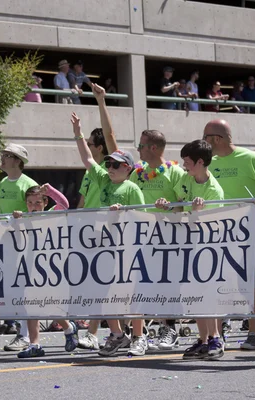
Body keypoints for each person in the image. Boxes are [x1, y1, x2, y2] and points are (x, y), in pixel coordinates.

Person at [87, 83, 186, 354]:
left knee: (166, 284)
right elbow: (110, 138)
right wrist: (101, 102)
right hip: (135, 237)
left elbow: (183, 206)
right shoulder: (137, 171)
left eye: (142, 145)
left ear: (153, 147)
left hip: (166, 235)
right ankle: (131, 333)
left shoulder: (174, 172)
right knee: (136, 285)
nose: (138, 149)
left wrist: (171, 210)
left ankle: (169, 327)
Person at [71, 111, 144, 357]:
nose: (110, 168)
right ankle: (116, 334)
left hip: (125, 248)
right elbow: (88, 159)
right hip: (102, 245)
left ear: (128, 168)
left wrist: (122, 212)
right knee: (101, 292)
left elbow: (140, 217)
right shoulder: (103, 180)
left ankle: (139, 336)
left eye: (116, 165)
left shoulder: (131, 187)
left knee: (129, 294)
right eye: (109, 164)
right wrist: (78, 134)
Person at [203, 119, 255, 351]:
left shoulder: (252, 159)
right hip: (215, 235)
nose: (204, 142)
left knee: (249, 284)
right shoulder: (208, 162)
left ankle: (253, 333)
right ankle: (219, 331)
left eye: (206, 137)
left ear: (217, 138)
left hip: (248, 233)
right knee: (215, 283)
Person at [156, 139, 225, 360]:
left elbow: (208, 224)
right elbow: (178, 205)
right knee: (194, 296)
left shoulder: (214, 189)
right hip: (186, 245)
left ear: (200, 162)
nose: (184, 166)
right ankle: (202, 340)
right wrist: (166, 205)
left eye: (187, 161)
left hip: (207, 248)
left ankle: (216, 338)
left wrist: (196, 212)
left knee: (207, 295)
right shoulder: (186, 179)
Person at [11, 184, 78, 358]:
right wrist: (17, 221)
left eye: (38, 202)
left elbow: (64, 205)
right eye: (30, 202)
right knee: (31, 305)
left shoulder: (51, 215)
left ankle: (69, 327)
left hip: (51, 267)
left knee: (49, 305)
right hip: (31, 266)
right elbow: (17, 238)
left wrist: (50, 190)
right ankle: (35, 344)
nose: (34, 206)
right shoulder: (25, 218)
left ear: (45, 202)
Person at [0, 144, 40, 351]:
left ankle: (25, 335)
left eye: (7, 155)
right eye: (3, 154)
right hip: (6, 241)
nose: (2, 158)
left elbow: (36, 212)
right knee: (15, 290)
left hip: (25, 243)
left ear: (18, 160)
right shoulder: (2, 182)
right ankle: (66, 328)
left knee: (26, 291)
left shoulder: (28, 183)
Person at [77, 128, 108, 209]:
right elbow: (82, 202)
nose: (86, 147)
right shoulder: (88, 171)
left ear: (99, 148)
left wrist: (78, 132)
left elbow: (110, 136)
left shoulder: (110, 168)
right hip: (88, 219)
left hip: (104, 219)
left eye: (89, 145)